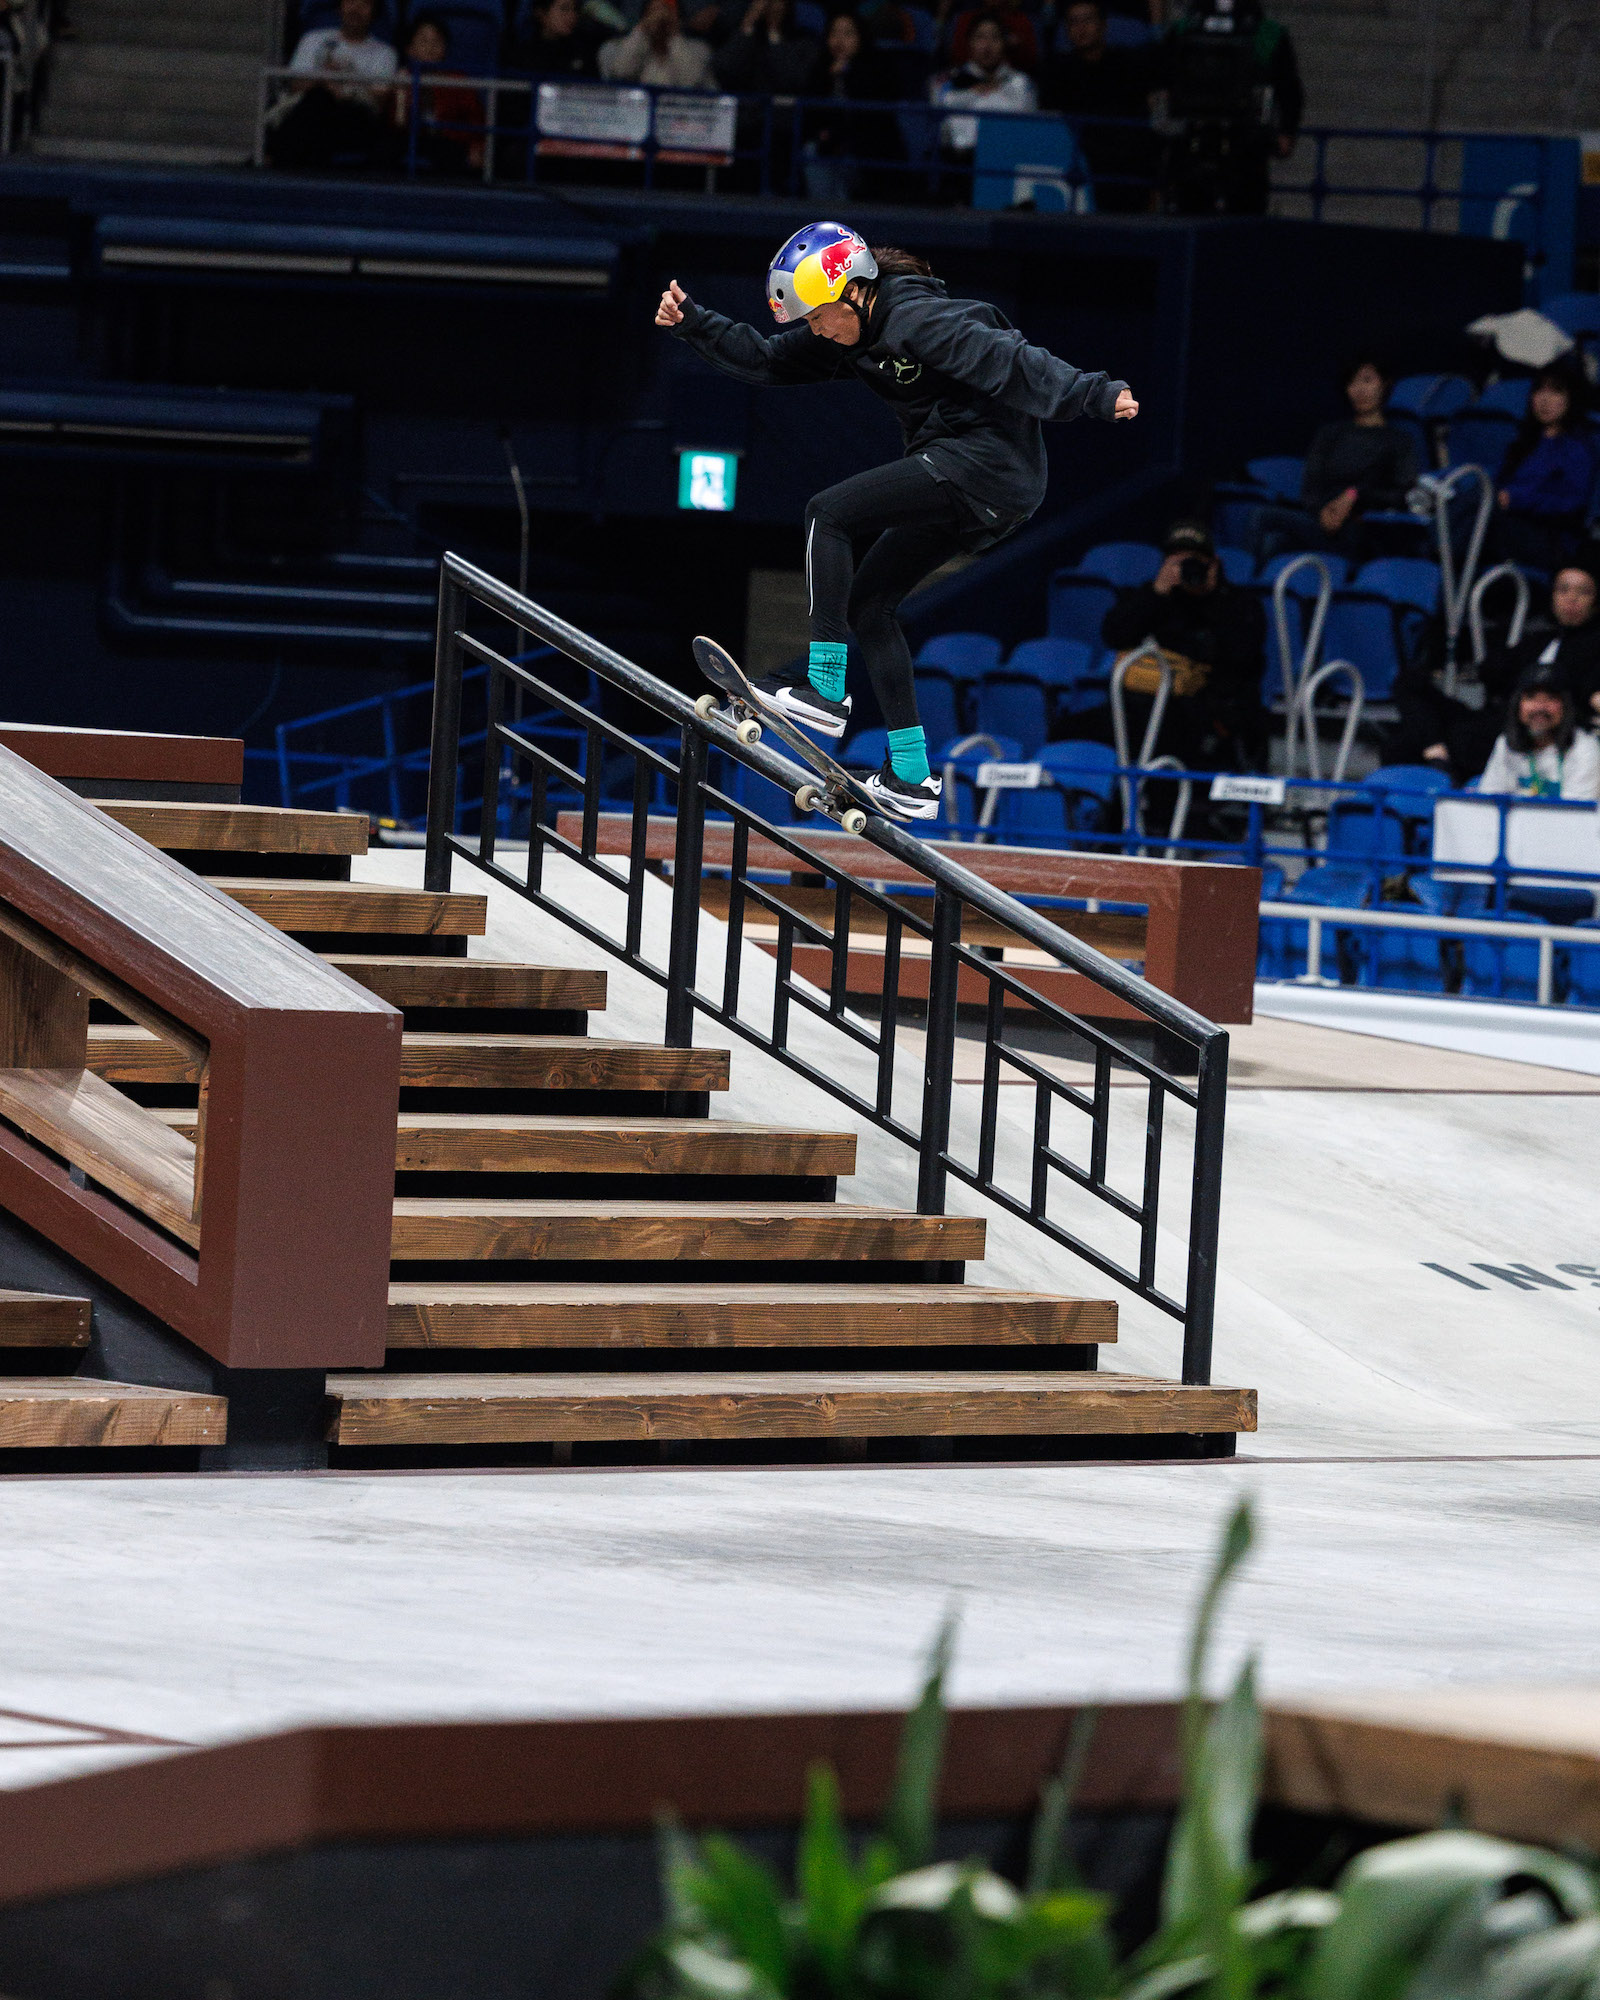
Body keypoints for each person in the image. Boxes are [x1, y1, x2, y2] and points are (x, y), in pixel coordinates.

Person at [656, 224, 1138, 818]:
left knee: (827, 514)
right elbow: (768, 360)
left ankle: (826, 687)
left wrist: (1094, 394)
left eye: (818, 316)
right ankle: (911, 774)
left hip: (987, 466)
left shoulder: (920, 320)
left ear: (854, 291)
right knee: (871, 606)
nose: (816, 329)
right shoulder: (847, 332)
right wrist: (694, 323)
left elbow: (1012, 359)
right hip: (973, 485)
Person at [1389, 564, 1600, 787]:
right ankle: (1436, 753)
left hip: (1535, 729)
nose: (1571, 598)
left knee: (1404, 744)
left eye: (1583, 592)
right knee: (1409, 683)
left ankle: (1438, 761)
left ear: (1596, 603)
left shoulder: (1595, 646)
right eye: (1563, 590)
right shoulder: (1538, 638)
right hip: (1493, 716)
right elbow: (1490, 670)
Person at [1098, 520, 1268, 774]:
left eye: (1195, 561)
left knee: (1167, 730)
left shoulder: (1239, 603)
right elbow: (1114, 635)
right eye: (1178, 561)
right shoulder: (1157, 597)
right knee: (1078, 727)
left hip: (1210, 708)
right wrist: (1157, 592)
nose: (1188, 570)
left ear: (1214, 563)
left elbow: (1241, 656)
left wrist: (1211, 597)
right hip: (1147, 704)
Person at [1250, 356, 1419, 569]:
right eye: (1352, 383)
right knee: (1269, 536)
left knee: (1270, 531)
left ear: (1385, 384)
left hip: (1362, 526)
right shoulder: (1330, 433)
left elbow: (1404, 492)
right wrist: (1323, 512)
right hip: (1320, 521)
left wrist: (1354, 496)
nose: (1359, 390)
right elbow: (1311, 485)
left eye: (1367, 381)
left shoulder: (1399, 440)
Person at [1159, 0, 1301, 216]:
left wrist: (1287, 130)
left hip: (1246, 145)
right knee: (1187, 212)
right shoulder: (1184, 28)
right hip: (1191, 140)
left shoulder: (1268, 34)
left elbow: (1289, 87)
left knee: (1245, 219)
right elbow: (1161, 74)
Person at [1040, 0, 1156, 213]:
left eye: (1087, 20)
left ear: (1103, 25)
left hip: (1124, 157)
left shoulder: (1129, 63)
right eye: (1073, 22)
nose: (1081, 28)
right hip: (1076, 155)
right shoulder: (1057, 71)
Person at [1492, 361, 1598, 576]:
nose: (1544, 399)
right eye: (1539, 389)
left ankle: (1432, 545)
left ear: (1572, 398)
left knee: (1483, 521)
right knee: (1478, 499)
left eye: (1556, 391)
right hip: (1511, 524)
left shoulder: (1579, 447)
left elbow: (1572, 502)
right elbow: (1499, 483)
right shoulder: (1524, 442)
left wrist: (1516, 500)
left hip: (1552, 539)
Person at [266, 0, 399, 170]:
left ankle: (276, 159)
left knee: (318, 108)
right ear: (340, 6)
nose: (355, 9)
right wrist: (324, 79)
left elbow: (379, 101)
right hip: (313, 109)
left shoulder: (385, 53)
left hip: (354, 118)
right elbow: (295, 85)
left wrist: (346, 89)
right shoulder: (313, 40)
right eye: (350, 2)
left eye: (364, 4)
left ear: (374, 12)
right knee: (318, 102)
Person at [801, 14, 900, 204]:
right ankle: (829, 217)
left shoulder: (878, 67)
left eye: (848, 34)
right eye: (834, 33)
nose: (839, 40)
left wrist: (848, 75)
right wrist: (829, 79)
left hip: (868, 148)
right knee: (812, 152)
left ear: (860, 37)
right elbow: (809, 115)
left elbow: (875, 117)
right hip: (828, 146)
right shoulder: (820, 69)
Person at [1478, 663, 1600, 802]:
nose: (1540, 707)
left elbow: (1575, 816)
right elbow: (1489, 801)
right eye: (1531, 697)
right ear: (1518, 704)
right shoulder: (1506, 743)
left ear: (1566, 707)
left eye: (1551, 698)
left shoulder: (1584, 748)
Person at [931, 13, 1036, 162]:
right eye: (980, 37)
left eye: (995, 38)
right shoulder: (946, 82)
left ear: (1004, 43)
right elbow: (939, 129)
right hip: (959, 165)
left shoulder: (1022, 82)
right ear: (969, 43)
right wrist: (972, 94)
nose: (987, 46)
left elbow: (1030, 131)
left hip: (1009, 161)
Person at [388, 14, 485, 174]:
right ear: (410, 49)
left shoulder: (458, 81)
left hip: (446, 139)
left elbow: (476, 121)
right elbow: (393, 122)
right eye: (424, 41)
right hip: (406, 138)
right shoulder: (401, 78)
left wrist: (477, 146)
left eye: (437, 42)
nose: (430, 47)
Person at [599, 0, 713, 87]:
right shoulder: (617, 47)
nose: (661, 18)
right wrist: (642, 29)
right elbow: (621, 72)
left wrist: (673, 33)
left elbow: (691, 82)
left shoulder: (699, 49)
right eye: (654, 12)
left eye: (668, 13)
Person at [714, 0, 820, 92]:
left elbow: (790, 81)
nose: (771, 6)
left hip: (782, 109)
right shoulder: (744, 36)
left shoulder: (803, 41)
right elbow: (725, 70)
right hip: (747, 107)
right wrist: (749, 22)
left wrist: (773, 32)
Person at [937, 0, 1039, 72]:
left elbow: (1031, 61)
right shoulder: (964, 20)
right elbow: (956, 58)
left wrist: (1015, 47)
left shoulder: (1022, 22)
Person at [505, 0, 600, 74]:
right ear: (541, 13)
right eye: (564, 9)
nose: (572, 16)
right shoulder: (522, 55)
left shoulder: (583, 51)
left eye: (575, 9)